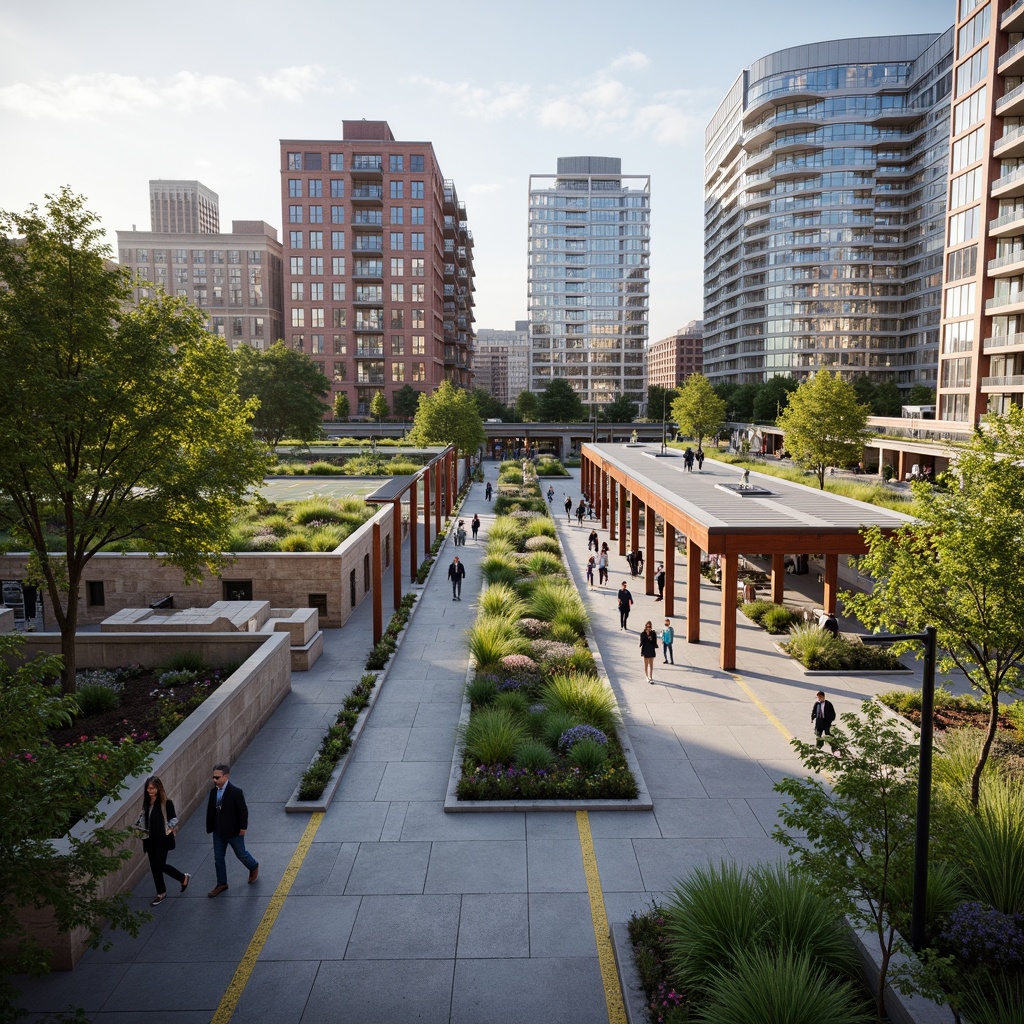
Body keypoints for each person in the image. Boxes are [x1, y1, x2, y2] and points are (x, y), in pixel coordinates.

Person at [206, 764, 258, 897]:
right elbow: (211, 811)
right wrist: (211, 826)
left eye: (217, 777)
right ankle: (221, 883)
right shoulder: (213, 792)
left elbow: (243, 811)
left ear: (226, 776)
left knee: (241, 854)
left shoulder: (236, 792)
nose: (215, 780)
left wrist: (243, 828)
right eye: (213, 777)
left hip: (234, 832)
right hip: (218, 832)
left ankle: (253, 866)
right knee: (218, 858)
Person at [138, 775, 187, 907]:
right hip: (149, 840)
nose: (150, 791)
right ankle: (161, 893)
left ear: (158, 788)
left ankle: (182, 877)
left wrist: (168, 830)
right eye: (148, 789)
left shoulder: (166, 803)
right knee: (154, 867)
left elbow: (173, 820)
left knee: (159, 865)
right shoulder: (146, 803)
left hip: (162, 839)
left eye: (153, 788)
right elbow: (144, 820)